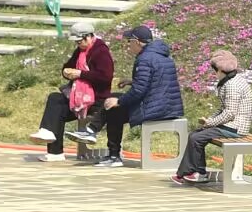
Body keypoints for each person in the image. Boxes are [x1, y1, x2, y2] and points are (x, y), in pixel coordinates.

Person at [86, 24, 183, 169]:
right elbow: (156, 81)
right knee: (113, 101)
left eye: (129, 41)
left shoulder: (144, 59)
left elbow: (139, 91)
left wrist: (119, 101)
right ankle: (94, 133)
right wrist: (132, 82)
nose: (128, 45)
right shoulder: (162, 56)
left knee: (114, 107)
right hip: (169, 106)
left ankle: (106, 147)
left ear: (137, 42)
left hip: (156, 109)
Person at [29, 19, 113, 160]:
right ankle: (53, 147)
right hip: (78, 96)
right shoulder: (80, 51)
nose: (78, 44)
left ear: (88, 37)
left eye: (79, 41)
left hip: (96, 100)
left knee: (58, 108)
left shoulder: (101, 51)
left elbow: (105, 77)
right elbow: (68, 66)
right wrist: (66, 72)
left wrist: (81, 74)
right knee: (55, 100)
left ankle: (53, 144)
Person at [174, 50, 252, 186]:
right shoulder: (230, 81)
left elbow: (229, 113)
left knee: (196, 138)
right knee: (195, 135)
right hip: (230, 125)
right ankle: (191, 172)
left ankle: (198, 173)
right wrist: (209, 120)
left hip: (235, 128)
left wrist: (211, 123)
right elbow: (223, 108)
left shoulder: (232, 85)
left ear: (220, 70)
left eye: (215, 70)